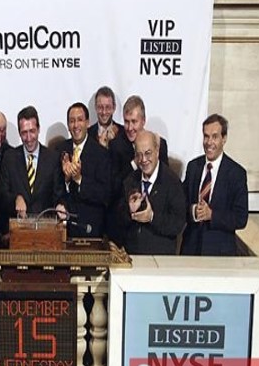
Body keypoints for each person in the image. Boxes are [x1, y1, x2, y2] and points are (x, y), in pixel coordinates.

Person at [181, 114, 249, 256]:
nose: (209, 142)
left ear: (224, 139)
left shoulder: (236, 173)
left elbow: (240, 218)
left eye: (215, 137)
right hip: (191, 249)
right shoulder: (193, 167)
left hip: (220, 253)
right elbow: (181, 203)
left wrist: (212, 215)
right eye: (206, 136)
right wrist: (193, 210)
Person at [106, 94, 169, 246]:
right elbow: (113, 187)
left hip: (153, 222)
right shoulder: (116, 146)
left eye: (134, 122)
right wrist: (134, 164)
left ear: (143, 121)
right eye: (126, 122)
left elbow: (164, 182)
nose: (129, 128)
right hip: (125, 222)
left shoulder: (159, 144)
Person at [119, 130, 186, 255]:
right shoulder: (130, 180)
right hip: (133, 255)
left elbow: (178, 223)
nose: (143, 160)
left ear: (157, 151)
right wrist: (129, 210)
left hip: (161, 257)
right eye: (139, 155)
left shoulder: (172, 182)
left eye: (148, 153)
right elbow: (119, 220)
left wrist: (152, 217)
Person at [1, 106, 65, 219]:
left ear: (39, 129)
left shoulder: (53, 158)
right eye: (24, 133)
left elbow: (58, 194)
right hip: (18, 226)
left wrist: (60, 205)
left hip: (45, 226)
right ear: (19, 133)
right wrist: (16, 199)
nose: (29, 138)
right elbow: (3, 194)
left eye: (32, 131)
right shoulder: (10, 158)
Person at [58, 102, 110, 237]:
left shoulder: (101, 154)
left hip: (90, 229)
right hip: (64, 229)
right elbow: (53, 189)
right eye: (72, 121)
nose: (76, 125)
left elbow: (104, 194)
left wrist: (79, 180)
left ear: (87, 123)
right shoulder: (59, 150)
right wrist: (66, 180)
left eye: (80, 120)